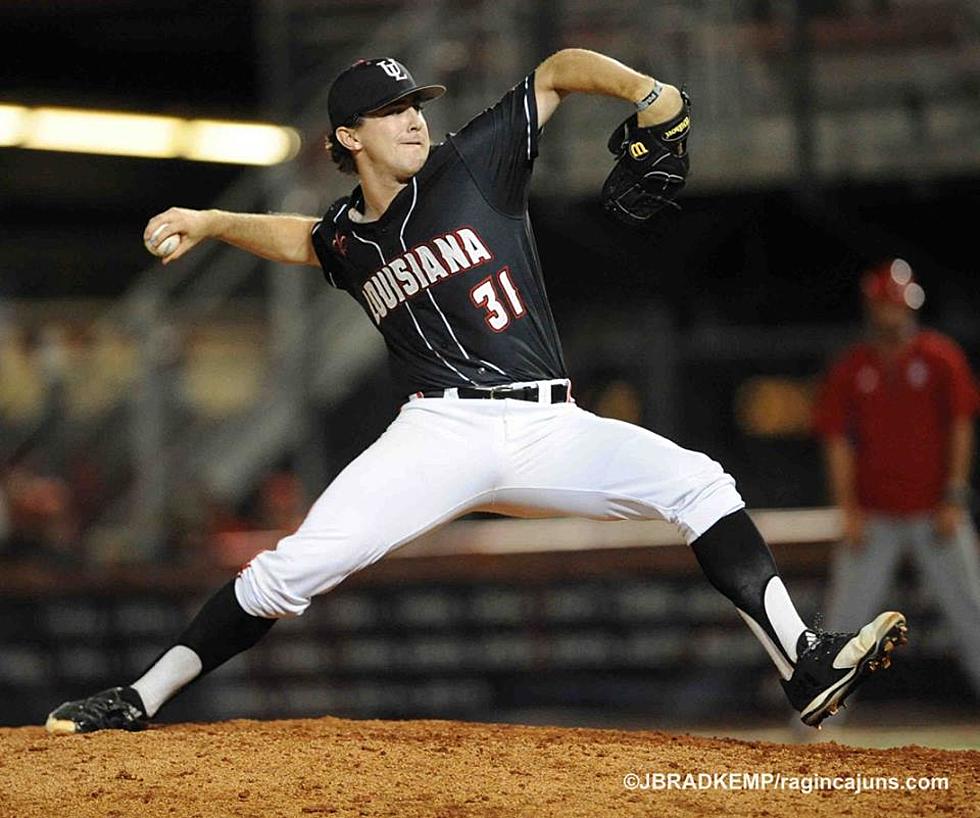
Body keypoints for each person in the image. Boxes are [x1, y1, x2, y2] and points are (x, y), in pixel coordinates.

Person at [46, 50, 906, 735]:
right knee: (289, 572)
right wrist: (211, 221)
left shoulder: (474, 164)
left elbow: (562, 68)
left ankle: (803, 662)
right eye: (389, 111)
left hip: (551, 427)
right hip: (438, 435)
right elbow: (302, 238)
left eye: (414, 103)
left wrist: (653, 93)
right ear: (348, 137)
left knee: (700, 482)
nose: (413, 117)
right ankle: (140, 697)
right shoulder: (349, 237)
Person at [814, 259, 980, 696]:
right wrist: (847, 509)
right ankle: (815, 723)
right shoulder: (852, 367)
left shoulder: (940, 357)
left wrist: (955, 496)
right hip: (874, 515)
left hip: (935, 511)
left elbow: (961, 425)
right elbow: (837, 441)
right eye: (888, 306)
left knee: (973, 614)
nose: (896, 314)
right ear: (874, 308)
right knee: (845, 624)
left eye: (901, 305)